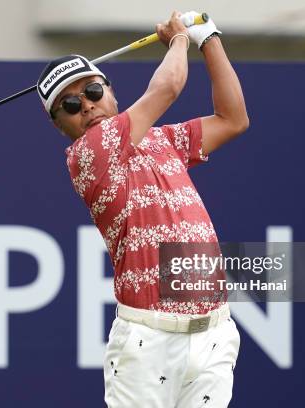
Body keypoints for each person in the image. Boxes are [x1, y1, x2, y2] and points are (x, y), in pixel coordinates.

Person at [37, 10, 248, 408]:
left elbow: (233, 119)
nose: (86, 106)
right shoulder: (87, 154)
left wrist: (210, 39)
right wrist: (180, 40)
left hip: (213, 334)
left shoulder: (161, 140)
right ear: (59, 124)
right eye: (69, 103)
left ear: (111, 92)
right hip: (148, 341)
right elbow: (167, 87)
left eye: (94, 92)